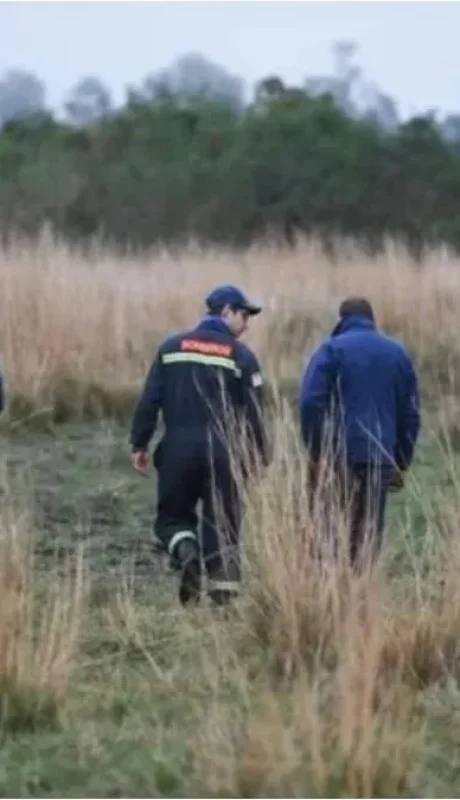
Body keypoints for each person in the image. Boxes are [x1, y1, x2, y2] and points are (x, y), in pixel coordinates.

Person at [130, 284, 271, 606]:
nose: (247, 323)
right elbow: (256, 413)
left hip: (177, 450)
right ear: (226, 312)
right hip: (225, 454)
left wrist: (140, 442)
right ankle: (223, 599)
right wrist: (259, 457)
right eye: (244, 314)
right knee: (223, 523)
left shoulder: (171, 347)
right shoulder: (242, 356)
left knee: (172, 520)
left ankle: (186, 551)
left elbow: (150, 399)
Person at [298, 297, 421, 569]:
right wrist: (399, 462)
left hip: (337, 457)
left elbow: (310, 402)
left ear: (341, 319)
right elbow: (411, 414)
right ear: (371, 319)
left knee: (329, 529)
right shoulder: (398, 353)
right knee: (367, 533)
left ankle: (328, 596)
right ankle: (361, 597)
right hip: (379, 457)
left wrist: (318, 450)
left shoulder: (331, 349)